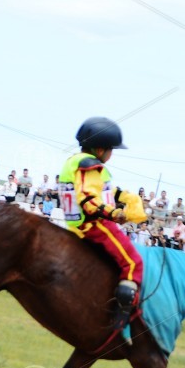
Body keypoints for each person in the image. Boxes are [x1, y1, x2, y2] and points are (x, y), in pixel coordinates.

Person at [60, 117, 142, 328]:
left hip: (77, 224)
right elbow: (88, 200)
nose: (111, 153)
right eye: (111, 149)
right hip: (94, 225)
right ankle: (123, 316)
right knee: (134, 263)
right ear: (99, 149)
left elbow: (103, 189)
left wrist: (126, 197)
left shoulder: (77, 162)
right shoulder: (90, 165)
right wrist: (115, 214)